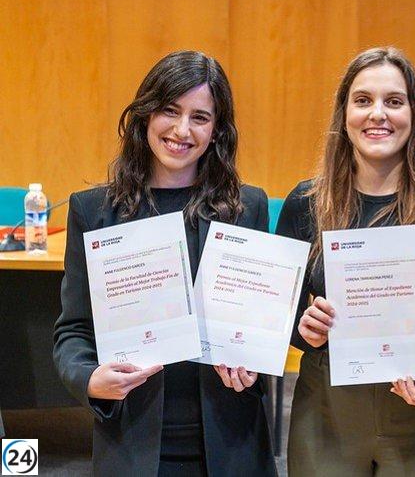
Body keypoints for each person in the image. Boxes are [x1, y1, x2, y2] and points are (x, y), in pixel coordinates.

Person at [53, 50, 277, 477]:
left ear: (217, 130)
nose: (181, 130)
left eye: (200, 117)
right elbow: (73, 330)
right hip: (133, 446)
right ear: (145, 115)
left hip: (231, 444)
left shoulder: (247, 208)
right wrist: (90, 380)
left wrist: (253, 365)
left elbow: (258, 326)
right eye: (170, 111)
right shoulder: (94, 212)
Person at [277, 46, 415, 476]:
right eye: (363, 100)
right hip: (327, 412)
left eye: (394, 101)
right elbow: (278, 315)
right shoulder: (306, 202)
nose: (378, 114)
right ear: (344, 115)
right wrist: (304, 331)